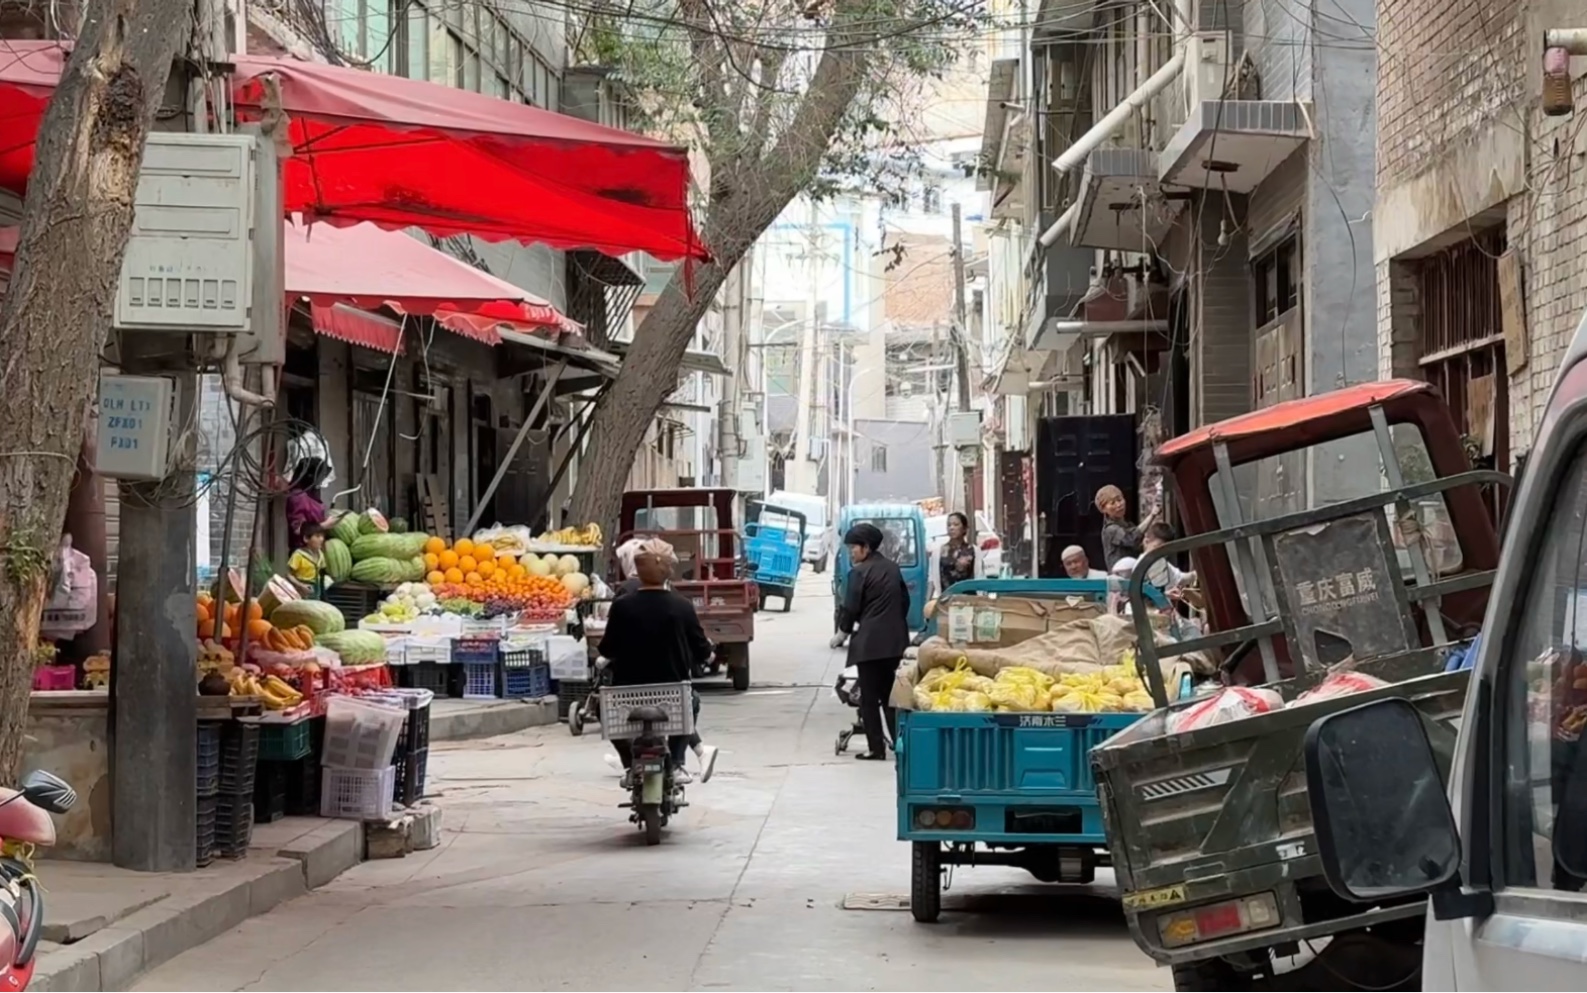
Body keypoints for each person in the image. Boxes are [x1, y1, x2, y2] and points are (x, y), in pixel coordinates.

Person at [597, 538, 719, 784]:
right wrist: (709, 654)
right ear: (669, 571)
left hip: (626, 696)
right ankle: (675, 764)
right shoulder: (681, 606)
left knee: (605, 711)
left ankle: (630, 765)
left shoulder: (622, 606)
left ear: (636, 570)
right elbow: (701, 649)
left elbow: (607, 648)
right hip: (672, 695)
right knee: (690, 703)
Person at [836, 522, 911, 761]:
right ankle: (901, 747)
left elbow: (850, 607)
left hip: (870, 646)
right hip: (895, 644)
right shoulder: (892, 568)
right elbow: (905, 601)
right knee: (892, 697)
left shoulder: (858, 573)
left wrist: (842, 633)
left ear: (866, 547)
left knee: (869, 699)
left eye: (853, 548)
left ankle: (876, 749)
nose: (851, 553)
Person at [1095, 484, 1158, 569]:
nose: (1118, 505)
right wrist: (1152, 516)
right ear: (1103, 509)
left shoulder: (1128, 525)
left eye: (1119, 500)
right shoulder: (1111, 530)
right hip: (1120, 577)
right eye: (1112, 503)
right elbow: (1131, 539)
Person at [933, 512, 981, 598]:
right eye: (949, 525)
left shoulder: (974, 550)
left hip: (968, 600)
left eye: (956, 524)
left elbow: (979, 576)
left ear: (964, 528)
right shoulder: (938, 551)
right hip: (946, 600)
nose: (951, 528)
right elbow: (933, 579)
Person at [285, 458, 329, 551]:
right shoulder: (297, 497)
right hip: (302, 551)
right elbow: (298, 530)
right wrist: (324, 525)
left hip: (314, 548)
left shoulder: (311, 494)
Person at [1140, 522, 1196, 592]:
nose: (1161, 552)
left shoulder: (1160, 561)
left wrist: (1196, 575)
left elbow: (1179, 578)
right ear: (1146, 541)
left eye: (1164, 549)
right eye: (1157, 547)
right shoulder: (1145, 564)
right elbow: (1154, 593)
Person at [288, 524, 330, 598]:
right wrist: (301, 585)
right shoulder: (299, 555)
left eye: (322, 536)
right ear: (306, 539)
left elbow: (321, 572)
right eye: (317, 536)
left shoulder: (321, 555)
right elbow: (289, 575)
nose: (321, 539)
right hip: (302, 590)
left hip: (316, 589)